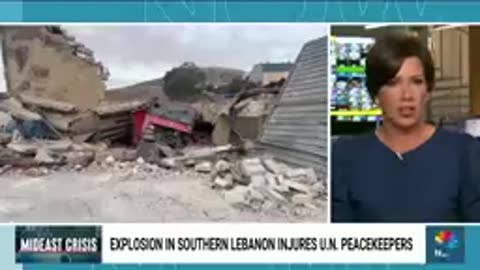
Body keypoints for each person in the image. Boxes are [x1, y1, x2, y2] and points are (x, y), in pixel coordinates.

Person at [331, 32, 480, 223]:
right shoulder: (345, 157)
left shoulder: (464, 154)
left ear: (427, 91)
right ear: (375, 94)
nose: (406, 95)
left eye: (416, 82)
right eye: (393, 83)